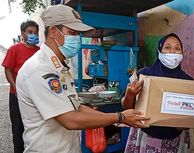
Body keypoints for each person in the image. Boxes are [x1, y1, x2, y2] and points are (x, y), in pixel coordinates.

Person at [16, 5, 149, 153]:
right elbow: (70, 119)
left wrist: (114, 117)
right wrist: (119, 117)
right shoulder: (39, 69)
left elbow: (77, 107)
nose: (76, 39)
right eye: (72, 32)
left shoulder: (59, 67)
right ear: (53, 32)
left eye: (77, 33)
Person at [122, 33, 193, 153]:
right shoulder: (144, 75)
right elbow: (127, 108)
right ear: (159, 51)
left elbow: (191, 116)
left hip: (175, 139)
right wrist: (129, 95)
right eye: (167, 47)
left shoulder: (188, 82)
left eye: (177, 48)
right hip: (147, 136)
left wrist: (186, 123)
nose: (173, 52)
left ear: (182, 53)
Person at [2, 20, 40, 153]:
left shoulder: (39, 52)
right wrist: (15, 87)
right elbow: (8, 70)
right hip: (17, 96)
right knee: (18, 128)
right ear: (22, 34)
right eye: (30, 32)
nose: (33, 34)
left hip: (35, 96)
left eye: (35, 32)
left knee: (35, 127)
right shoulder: (14, 49)